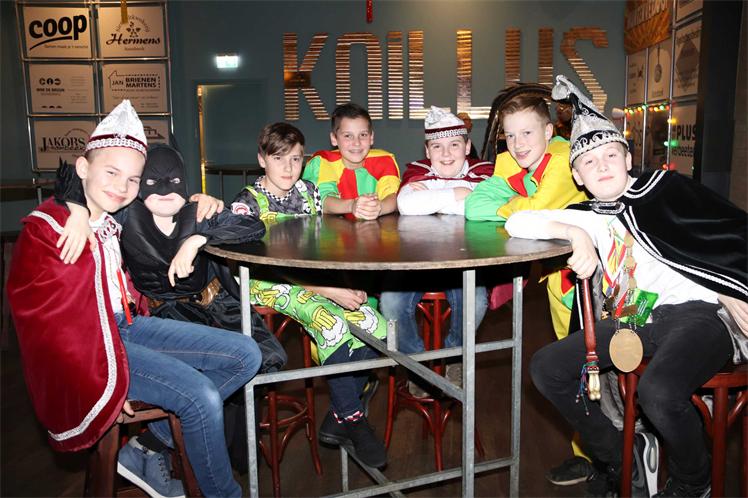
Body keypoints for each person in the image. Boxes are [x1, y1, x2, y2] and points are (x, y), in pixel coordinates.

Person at [505, 75, 748, 497]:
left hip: (698, 316)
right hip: (634, 318)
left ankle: (693, 482)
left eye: (610, 155)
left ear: (628, 158)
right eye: (589, 162)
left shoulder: (666, 190)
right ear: (577, 175)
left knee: (659, 391)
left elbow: (729, 233)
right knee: (546, 368)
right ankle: (619, 454)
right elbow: (517, 222)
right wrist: (574, 232)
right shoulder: (587, 214)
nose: (601, 166)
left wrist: (729, 288)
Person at [7, 100, 262, 498]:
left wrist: (201, 219)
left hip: (127, 326)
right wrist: (101, 385)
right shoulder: (51, 230)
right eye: (112, 173)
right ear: (84, 168)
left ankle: (146, 445)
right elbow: (45, 326)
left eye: (132, 179)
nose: (121, 187)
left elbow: (242, 224)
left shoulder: (115, 216)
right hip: (95, 348)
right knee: (201, 396)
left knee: (247, 354)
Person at [55, 142, 288, 474]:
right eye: (152, 181)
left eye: (174, 181)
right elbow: (74, 178)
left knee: (266, 358)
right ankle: (170, 446)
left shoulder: (198, 212)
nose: (165, 190)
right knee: (198, 376)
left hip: (220, 307)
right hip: (170, 316)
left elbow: (253, 226)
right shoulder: (124, 215)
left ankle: (158, 441)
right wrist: (77, 213)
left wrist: (198, 240)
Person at [231, 122, 388, 469]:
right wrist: (327, 290)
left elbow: (324, 237)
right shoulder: (247, 202)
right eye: (279, 158)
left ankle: (339, 414)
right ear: (262, 159)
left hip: (312, 278)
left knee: (376, 326)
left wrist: (342, 280)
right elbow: (260, 264)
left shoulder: (309, 191)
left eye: (296, 159)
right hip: (267, 282)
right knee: (331, 322)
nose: (289, 167)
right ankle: (354, 421)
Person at [379, 106, 492, 395]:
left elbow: (483, 208)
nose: (446, 153)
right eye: (437, 146)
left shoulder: (484, 173)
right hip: (417, 261)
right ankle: (417, 365)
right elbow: (407, 205)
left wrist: (432, 198)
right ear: (427, 151)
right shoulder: (417, 172)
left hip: (465, 262)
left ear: (467, 146)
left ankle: (455, 355)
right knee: (390, 303)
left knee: (476, 302)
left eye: (454, 145)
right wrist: (457, 194)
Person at [301, 102, 400, 220]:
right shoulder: (323, 162)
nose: (356, 143)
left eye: (363, 135)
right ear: (334, 138)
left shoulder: (384, 160)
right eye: (348, 136)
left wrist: (379, 207)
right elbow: (323, 201)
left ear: (371, 137)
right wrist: (352, 205)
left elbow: (393, 197)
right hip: (332, 230)